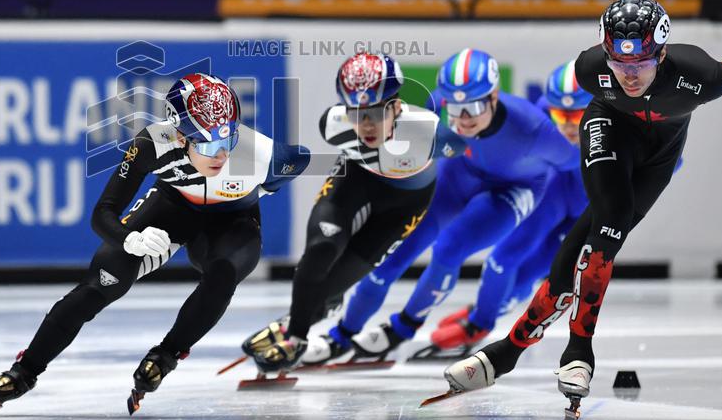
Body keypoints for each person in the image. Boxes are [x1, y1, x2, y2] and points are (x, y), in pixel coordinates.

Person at [445, 0, 722, 416]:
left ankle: (506, 354)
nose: (629, 76)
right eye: (619, 64)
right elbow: (606, 84)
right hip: (609, 128)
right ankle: (579, 353)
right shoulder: (591, 71)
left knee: (586, 244)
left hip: (658, 159)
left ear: (661, 54)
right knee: (610, 219)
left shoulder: (701, 76)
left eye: (640, 64)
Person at [0, 73, 309, 412]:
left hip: (231, 224)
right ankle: (24, 371)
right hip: (171, 211)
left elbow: (302, 159)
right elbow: (103, 213)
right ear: (179, 136)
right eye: (207, 145)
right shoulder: (152, 143)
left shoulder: (265, 155)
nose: (220, 155)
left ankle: (166, 355)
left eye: (228, 141)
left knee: (223, 273)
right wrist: (129, 239)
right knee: (100, 284)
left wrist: (260, 192)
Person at [337, 49, 578, 361]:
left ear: (493, 97)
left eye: (475, 106)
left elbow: (577, 163)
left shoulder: (534, 130)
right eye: (457, 107)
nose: (464, 119)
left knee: (453, 249)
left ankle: (404, 328)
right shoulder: (437, 103)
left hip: (515, 187)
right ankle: (342, 333)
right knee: (400, 244)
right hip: (462, 173)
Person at [242, 52, 455, 372]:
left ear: (396, 107)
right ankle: (296, 337)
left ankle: (315, 308)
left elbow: (474, 150)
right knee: (320, 249)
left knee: (337, 283)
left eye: (373, 113)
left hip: (404, 205)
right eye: (356, 113)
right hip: (355, 181)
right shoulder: (333, 123)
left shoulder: (432, 134)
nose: (365, 124)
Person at [421, 60, 592, 358]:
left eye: (576, 115)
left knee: (532, 275)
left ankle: (483, 313)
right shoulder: (540, 110)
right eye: (559, 114)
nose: (565, 124)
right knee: (503, 260)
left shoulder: (619, 131)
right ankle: (481, 321)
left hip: (589, 212)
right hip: (553, 195)